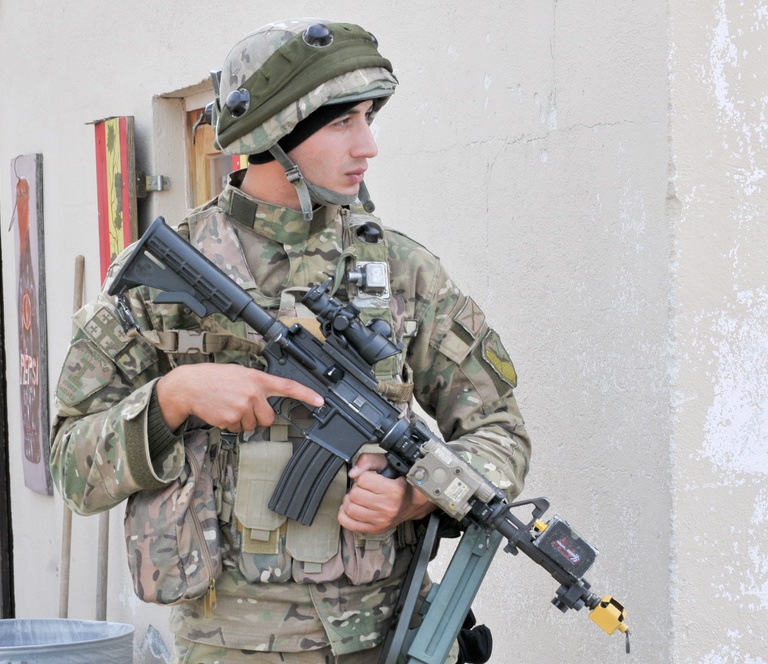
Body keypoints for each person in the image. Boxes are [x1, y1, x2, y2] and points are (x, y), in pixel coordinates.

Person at [50, 18, 530, 664]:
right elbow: (70, 465)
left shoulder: (404, 273)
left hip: (388, 642)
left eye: (368, 118)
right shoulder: (168, 277)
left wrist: (413, 496)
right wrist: (174, 396)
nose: (368, 146)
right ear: (274, 136)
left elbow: (499, 430)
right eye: (342, 124)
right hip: (230, 649)